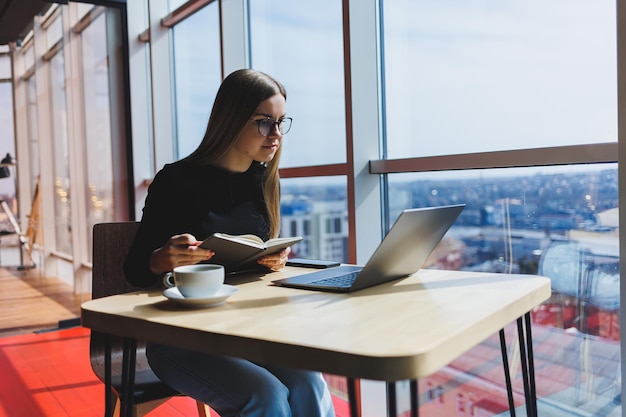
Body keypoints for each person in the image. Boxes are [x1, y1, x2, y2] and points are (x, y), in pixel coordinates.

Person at [124, 68, 335, 417]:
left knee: (309, 382)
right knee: (265, 395)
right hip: (179, 338)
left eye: (282, 122)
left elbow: (248, 262)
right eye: (266, 122)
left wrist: (270, 259)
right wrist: (163, 258)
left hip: (244, 330)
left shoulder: (261, 180)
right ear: (233, 119)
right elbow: (134, 270)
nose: (277, 134)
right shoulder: (176, 181)